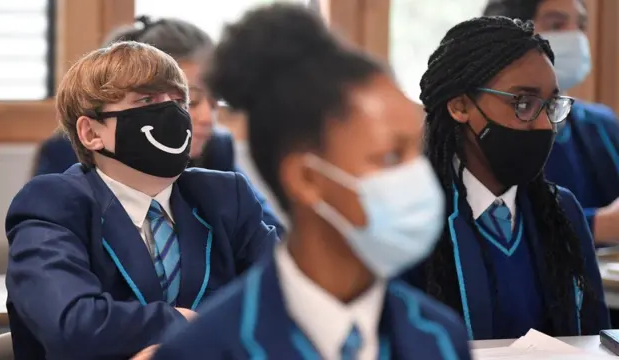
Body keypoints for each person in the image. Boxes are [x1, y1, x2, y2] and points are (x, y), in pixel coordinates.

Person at [150, 4, 472, 360]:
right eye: (391, 157)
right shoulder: (204, 350)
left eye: (417, 152)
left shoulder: (440, 337)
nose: (417, 177)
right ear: (307, 178)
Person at [5, 41, 278, 359]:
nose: (172, 114)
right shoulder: (51, 204)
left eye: (178, 100)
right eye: (147, 99)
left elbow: (291, 295)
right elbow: (73, 324)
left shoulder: (225, 196)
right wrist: (186, 323)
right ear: (92, 132)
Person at [403, 16, 609, 341]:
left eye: (551, 105)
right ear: (460, 106)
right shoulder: (414, 220)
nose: (545, 125)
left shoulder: (562, 212)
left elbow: (596, 340)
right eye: (523, 103)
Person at [32, 16, 286, 236]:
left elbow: (273, 241)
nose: (208, 118)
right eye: (192, 101)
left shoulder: (218, 154)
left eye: (181, 101)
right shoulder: (65, 161)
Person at [484, 0, 619, 244]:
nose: (575, 36)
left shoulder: (600, 125)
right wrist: (594, 225)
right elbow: (486, 226)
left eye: (581, 25)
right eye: (557, 24)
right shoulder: (480, 130)